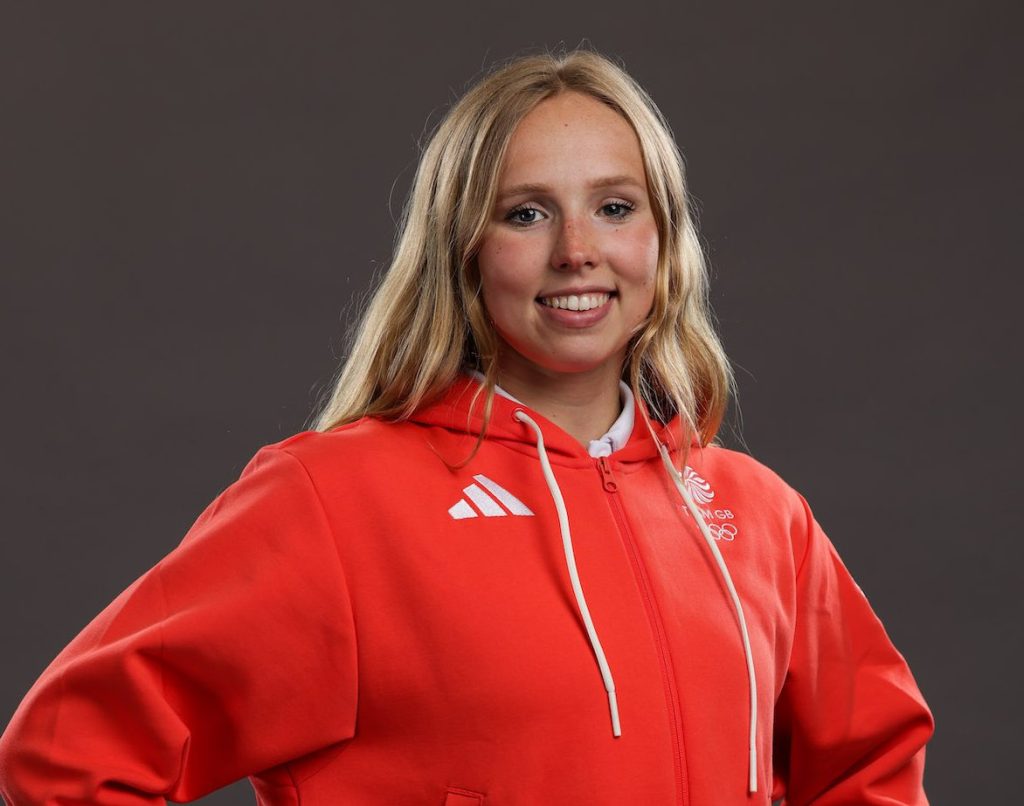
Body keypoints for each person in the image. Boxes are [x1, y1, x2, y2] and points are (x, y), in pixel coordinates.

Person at [0, 47, 934, 805]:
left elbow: (872, 767)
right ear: (463, 249)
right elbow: (69, 758)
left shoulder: (758, 514)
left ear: (663, 242)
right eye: (526, 214)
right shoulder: (337, 500)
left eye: (615, 208)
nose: (578, 252)